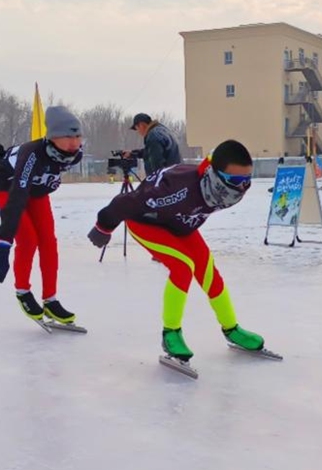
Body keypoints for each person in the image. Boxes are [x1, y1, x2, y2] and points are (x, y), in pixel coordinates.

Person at [88, 140, 265, 361]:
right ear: (215, 175)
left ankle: (231, 329)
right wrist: (103, 225)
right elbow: (128, 202)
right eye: (236, 181)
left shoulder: (221, 186)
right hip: (146, 223)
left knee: (207, 270)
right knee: (182, 267)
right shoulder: (178, 188)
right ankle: (170, 333)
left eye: (247, 181)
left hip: (180, 224)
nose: (242, 188)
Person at [0, 106, 83, 324]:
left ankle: (50, 300)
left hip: (36, 190)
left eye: (78, 135)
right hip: (8, 187)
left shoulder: (75, 155)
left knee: (49, 241)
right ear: (52, 137)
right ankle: (23, 291)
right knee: (28, 239)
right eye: (68, 136)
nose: (74, 142)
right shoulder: (31, 154)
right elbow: (17, 196)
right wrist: (2, 245)